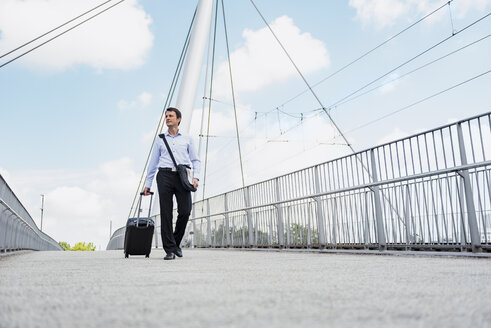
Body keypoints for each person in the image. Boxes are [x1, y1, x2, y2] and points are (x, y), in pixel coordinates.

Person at [143, 107, 200, 260]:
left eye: (171, 116)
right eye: (166, 116)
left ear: (178, 119)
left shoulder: (188, 139)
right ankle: (169, 249)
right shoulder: (160, 139)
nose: (168, 118)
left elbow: (195, 160)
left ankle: (174, 242)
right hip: (164, 176)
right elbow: (153, 163)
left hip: (182, 176)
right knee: (166, 213)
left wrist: (196, 177)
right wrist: (147, 183)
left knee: (185, 210)